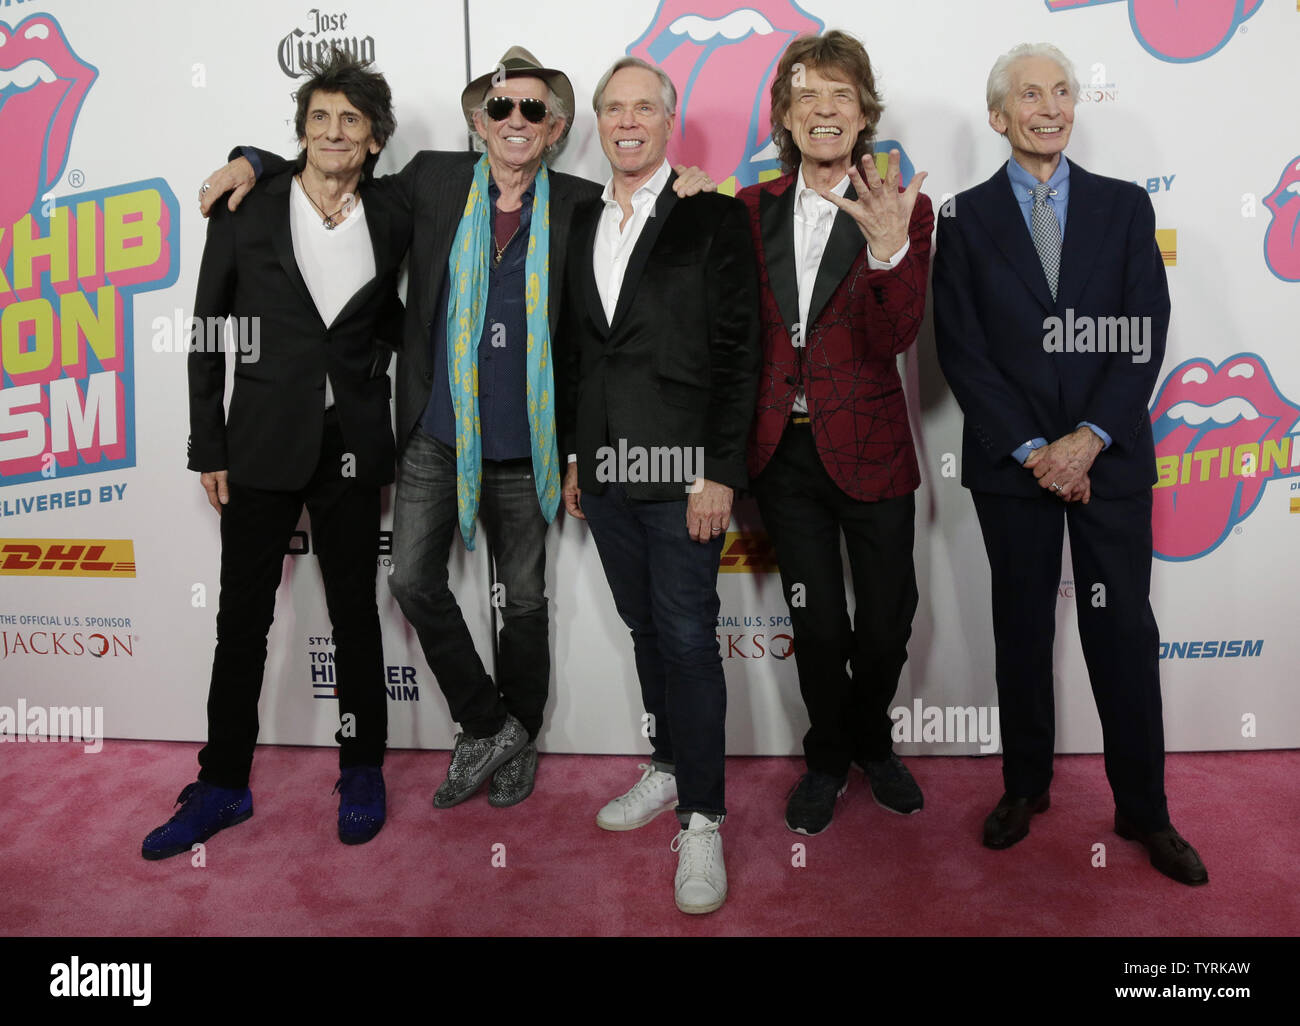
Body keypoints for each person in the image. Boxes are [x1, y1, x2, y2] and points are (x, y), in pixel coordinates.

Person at [200, 48, 713, 811]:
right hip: (436, 436)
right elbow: (336, 168)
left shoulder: (580, 204)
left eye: (533, 111)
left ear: (557, 127)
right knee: (410, 581)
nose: (515, 121)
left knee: (528, 603)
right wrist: (251, 160)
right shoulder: (434, 184)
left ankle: (521, 736)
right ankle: (486, 721)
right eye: (501, 108)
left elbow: (646, 229)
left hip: (529, 446)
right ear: (479, 121)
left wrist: (694, 192)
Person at [932, 42, 1207, 885]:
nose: (1050, 107)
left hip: (1110, 459)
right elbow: (963, 350)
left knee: (1123, 631)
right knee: (1020, 630)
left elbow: (1141, 334)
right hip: (1011, 468)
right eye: (1029, 94)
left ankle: (1145, 810)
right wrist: (1032, 450)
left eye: (1062, 92)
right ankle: (1025, 788)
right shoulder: (962, 218)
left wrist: (1088, 438)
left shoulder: (1124, 208)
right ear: (998, 115)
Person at [143, 51, 406, 859]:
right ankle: (223, 782)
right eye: (319, 118)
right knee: (240, 624)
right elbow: (207, 336)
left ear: (372, 141)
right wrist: (206, 443)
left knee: (356, 617)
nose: (334, 132)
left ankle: (361, 768)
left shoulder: (396, 212)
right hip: (256, 442)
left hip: (352, 445)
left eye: (350, 122)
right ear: (300, 134)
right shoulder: (247, 209)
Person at [558, 57, 760, 914]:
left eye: (644, 107)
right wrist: (575, 456)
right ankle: (669, 767)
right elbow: (577, 349)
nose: (627, 120)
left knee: (685, 638)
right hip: (604, 472)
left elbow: (739, 350)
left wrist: (717, 471)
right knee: (646, 629)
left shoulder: (712, 215)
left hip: (684, 476)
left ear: (667, 119)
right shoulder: (577, 220)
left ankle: (704, 819)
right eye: (613, 108)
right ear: (597, 122)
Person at [736, 30, 933, 835]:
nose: (824, 110)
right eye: (807, 95)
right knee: (815, 624)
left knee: (887, 618)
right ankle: (829, 757)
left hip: (875, 449)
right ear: (785, 114)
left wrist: (889, 252)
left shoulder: (900, 207)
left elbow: (901, 334)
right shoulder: (748, 209)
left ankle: (872, 740)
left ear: (863, 115)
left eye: (840, 97)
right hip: (785, 457)